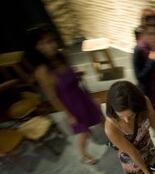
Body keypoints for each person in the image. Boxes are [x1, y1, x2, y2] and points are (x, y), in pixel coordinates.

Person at [25, 25, 103, 165]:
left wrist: (77, 75)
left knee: (98, 115)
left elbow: (70, 75)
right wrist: (69, 115)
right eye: (47, 42)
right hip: (71, 105)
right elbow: (53, 97)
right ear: (38, 47)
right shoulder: (42, 71)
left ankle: (113, 137)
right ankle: (84, 155)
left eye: (52, 40)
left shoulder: (60, 56)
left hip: (81, 95)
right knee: (83, 132)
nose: (53, 45)